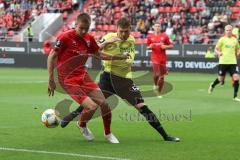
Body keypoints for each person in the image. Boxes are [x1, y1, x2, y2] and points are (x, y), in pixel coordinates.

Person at [61, 17, 180, 143]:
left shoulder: (132, 39)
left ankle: (165, 136)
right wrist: (108, 43)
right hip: (108, 78)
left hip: (125, 81)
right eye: (121, 31)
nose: (123, 34)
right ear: (116, 29)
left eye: (126, 31)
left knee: (142, 107)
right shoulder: (108, 37)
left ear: (130, 30)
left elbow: (128, 56)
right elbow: (93, 51)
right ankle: (77, 120)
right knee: (93, 104)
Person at [47, 13, 128, 143]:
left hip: (83, 76)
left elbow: (99, 55)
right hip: (67, 80)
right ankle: (82, 124)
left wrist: (118, 57)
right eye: (81, 28)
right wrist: (51, 80)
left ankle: (107, 134)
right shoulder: (65, 37)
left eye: (87, 28)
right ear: (75, 25)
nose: (84, 31)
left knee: (105, 104)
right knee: (91, 107)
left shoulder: (89, 38)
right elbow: (51, 56)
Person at [208, 25, 240, 101]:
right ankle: (212, 85)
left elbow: (238, 48)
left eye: (229, 30)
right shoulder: (222, 39)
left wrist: (238, 52)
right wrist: (219, 53)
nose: (228, 31)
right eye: (227, 30)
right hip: (223, 62)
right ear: (225, 31)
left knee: (236, 78)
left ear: (232, 31)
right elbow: (216, 49)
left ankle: (235, 96)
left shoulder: (234, 40)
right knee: (220, 80)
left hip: (232, 62)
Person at [147, 23, 173, 98]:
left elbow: (171, 45)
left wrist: (166, 46)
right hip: (154, 57)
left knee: (161, 77)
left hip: (163, 58)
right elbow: (147, 47)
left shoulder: (164, 36)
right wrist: (150, 47)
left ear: (160, 28)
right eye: (156, 26)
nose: (157, 27)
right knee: (157, 74)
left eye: (159, 26)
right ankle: (155, 85)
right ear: (153, 28)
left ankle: (159, 92)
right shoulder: (150, 36)